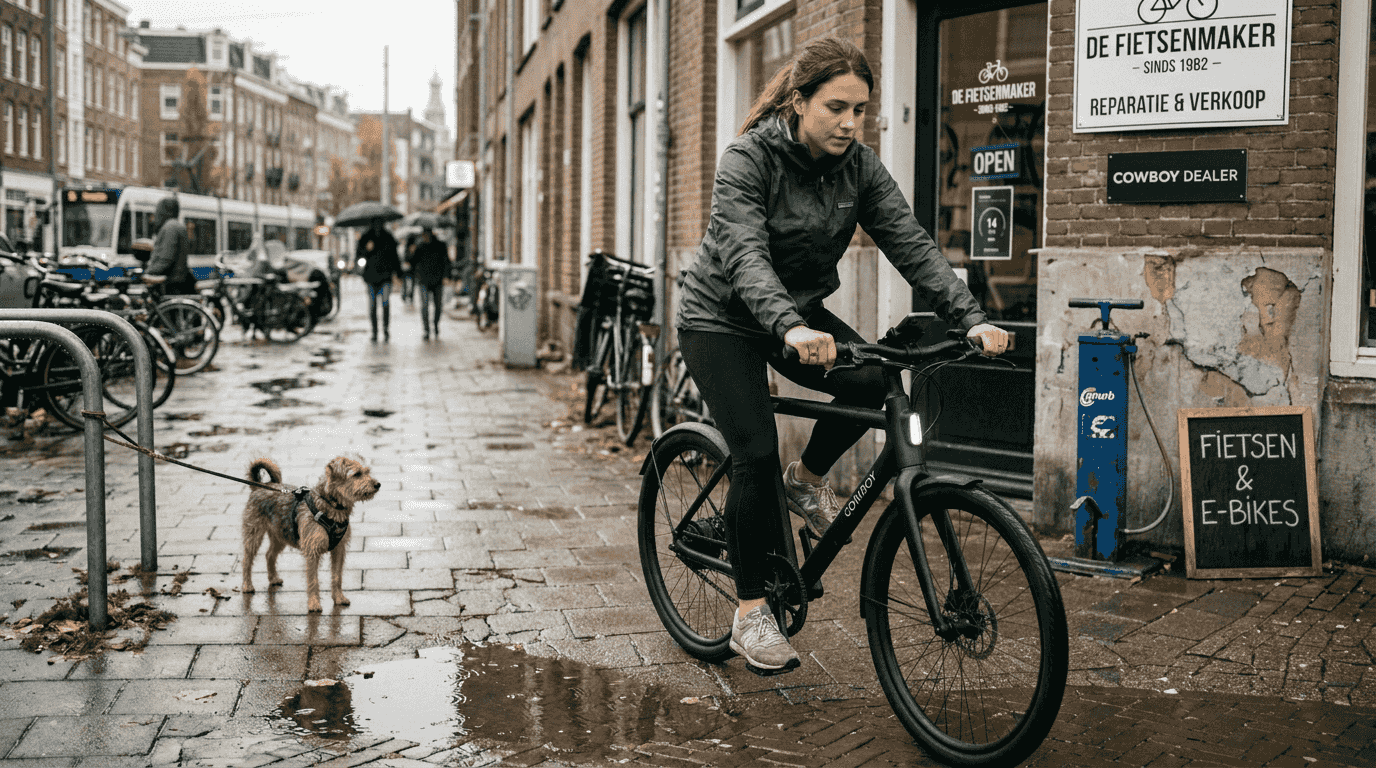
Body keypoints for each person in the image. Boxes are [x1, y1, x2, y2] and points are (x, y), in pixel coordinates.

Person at [674, 37, 1009, 673]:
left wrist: (972, 318)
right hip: (721, 317)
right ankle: (750, 615)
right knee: (753, 451)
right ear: (799, 102)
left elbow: (911, 245)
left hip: (795, 314)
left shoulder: (860, 168)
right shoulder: (747, 160)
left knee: (871, 379)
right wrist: (789, 328)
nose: (851, 123)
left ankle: (805, 484)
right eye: (837, 107)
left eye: (861, 110)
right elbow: (745, 255)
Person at [357, 219, 400, 342]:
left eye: (379, 223)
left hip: (386, 276)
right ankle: (375, 331)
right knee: (372, 305)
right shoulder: (365, 237)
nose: (377, 225)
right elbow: (359, 255)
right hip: (370, 277)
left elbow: (394, 256)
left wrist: (398, 273)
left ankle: (385, 329)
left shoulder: (388, 237)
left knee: (385, 303)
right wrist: (367, 249)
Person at [407, 226, 451, 339]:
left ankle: (435, 325)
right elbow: (412, 262)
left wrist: (446, 276)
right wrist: (411, 252)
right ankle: (426, 329)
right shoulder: (420, 246)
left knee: (438, 306)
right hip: (423, 280)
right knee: (424, 306)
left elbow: (446, 261)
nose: (425, 236)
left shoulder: (441, 245)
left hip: (437, 279)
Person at [146, 196, 196, 295]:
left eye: (158, 209)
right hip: (179, 280)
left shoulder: (170, 228)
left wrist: (147, 272)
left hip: (171, 283)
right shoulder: (177, 226)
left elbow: (165, 259)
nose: (156, 214)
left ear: (165, 211)